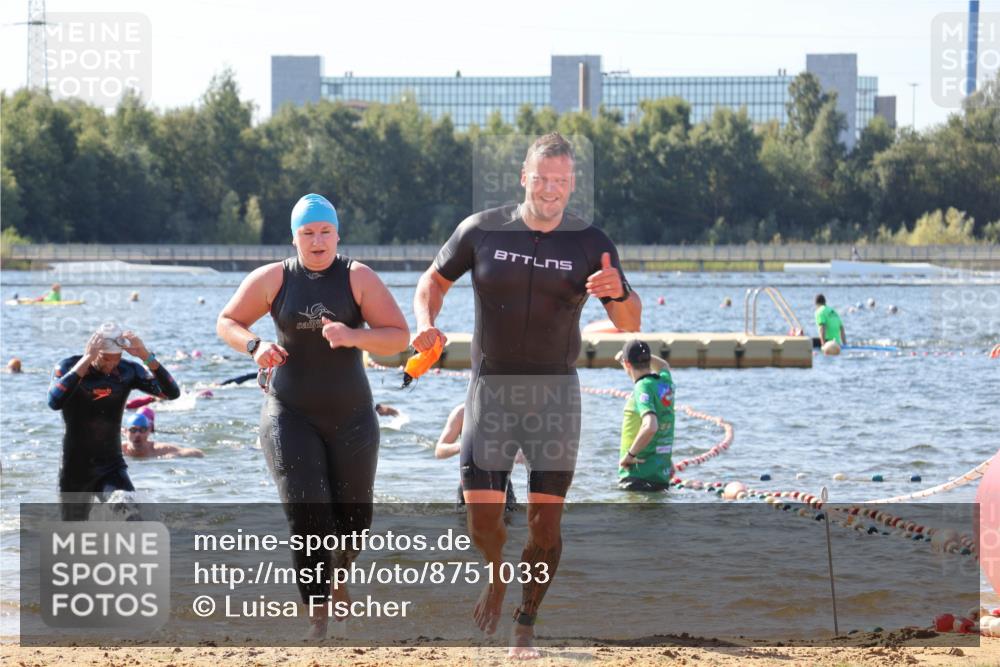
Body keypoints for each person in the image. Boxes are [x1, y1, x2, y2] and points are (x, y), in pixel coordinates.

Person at [412, 132, 641, 657]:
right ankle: (496, 576)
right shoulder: (482, 229)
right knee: (483, 520)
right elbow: (433, 280)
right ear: (524, 177)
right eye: (542, 179)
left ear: (572, 182)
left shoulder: (590, 242)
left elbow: (631, 322)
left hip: (555, 398)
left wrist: (620, 292)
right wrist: (426, 324)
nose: (551, 190)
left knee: (544, 522)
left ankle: (526, 620)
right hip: (490, 393)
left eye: (562, 181)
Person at [216, 193, 409, 640]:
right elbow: (227, 320)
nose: (317, 241)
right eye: (308, 233)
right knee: (307, 517)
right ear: (294, 237)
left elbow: (398, 339)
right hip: (289, 412)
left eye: (325, 232)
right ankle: (318, 623)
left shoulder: (357, 277)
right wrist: (255, 346)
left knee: (354, 521)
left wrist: (353, 335)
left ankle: (340, 571)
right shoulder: (273, 279)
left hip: (353, 414)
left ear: (338, 235)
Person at [47, 322, 180, 521]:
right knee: (72, 536)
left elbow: (172, 393)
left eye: (116, 360)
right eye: (105, 359)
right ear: (93, 351)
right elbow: (54, 401)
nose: (111, 366)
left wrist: (145, 356)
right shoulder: (68, 367)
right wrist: (86, 360)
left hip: (110, 466)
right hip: (74, 469)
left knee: (134, 519)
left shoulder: (128, 371)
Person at [615, 341, 675, 492]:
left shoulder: (642, 386)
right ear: (648, 360)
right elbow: (663, 365)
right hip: (660, 476)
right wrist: (642, 355)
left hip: (637, 476)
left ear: (627, 364)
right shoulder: (664, 382)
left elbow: (650, 426)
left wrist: (630, 455)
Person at [434, 405, 519, 512]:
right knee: (464, 526)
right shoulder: (462, 413)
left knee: (508, 524)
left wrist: (519, 453)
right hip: (470, 482)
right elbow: (439, 451)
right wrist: (463, 445)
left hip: (502, 483)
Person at [121, 412, 203, 458]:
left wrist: (175, 455)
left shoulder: (159, 450)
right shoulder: (118, 450)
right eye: (133, 430)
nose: (138, 434)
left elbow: (199, 453)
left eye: (142, 430)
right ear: (125, 432)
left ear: (149, 431)